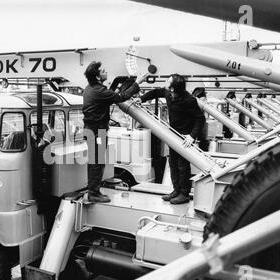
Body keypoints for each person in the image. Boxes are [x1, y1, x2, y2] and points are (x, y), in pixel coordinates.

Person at [135, 74, 205, 205]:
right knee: (172, 164)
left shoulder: (189, 100)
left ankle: (184, 194)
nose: (165, 82)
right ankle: (176, 190)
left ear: (173, 88)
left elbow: (200, 119)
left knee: (182, 166)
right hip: (172, 135)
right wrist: (141, 98)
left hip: (184, 137)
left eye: (168, 81)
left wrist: (192, 136)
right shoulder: (168, 92)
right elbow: (155, 92)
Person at [83, 61, 147, 203]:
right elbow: (120, 98)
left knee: (96, 162)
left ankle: (94, 191)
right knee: (97, 163)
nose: (106, 72)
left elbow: (110, 96)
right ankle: (93, 193)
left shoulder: (90, 88)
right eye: (103, 70)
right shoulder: (98, 91)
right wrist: (137, 83)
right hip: (96, 131)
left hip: (92, 130)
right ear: (98, 77)